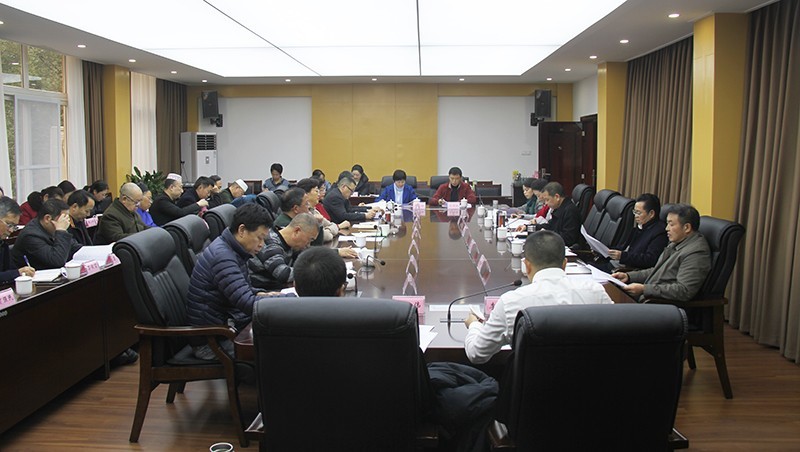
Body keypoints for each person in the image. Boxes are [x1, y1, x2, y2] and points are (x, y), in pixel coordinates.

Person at [463, 230, 612, 364]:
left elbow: (477, 354)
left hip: (532, 385)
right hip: (592, 382)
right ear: (564, 264)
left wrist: (474, 325)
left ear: (527, 265)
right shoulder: (596, 292)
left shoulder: (511, 302)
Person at [186, 203, 285, 360]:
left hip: (226, 327)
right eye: (259, 238)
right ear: (242, 230)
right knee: (278, 353)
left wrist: (262, 294)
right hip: (212, 341)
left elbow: (241, 290)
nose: (262, 244)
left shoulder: (232, 249)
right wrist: (290, 301)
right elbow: (247, 303)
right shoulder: (223, 257)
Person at [612, 204, 711, 301]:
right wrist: (629, 276)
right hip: (647, 297)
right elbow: (657, 270)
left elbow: (683, 290)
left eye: (671, 224)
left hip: (660, 304)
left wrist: (644, 289)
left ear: (687, 227)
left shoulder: (696, 252)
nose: (666, 228)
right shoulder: (677, 242)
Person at [248, 212, 319, 291]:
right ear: (297, 231)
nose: (308, 244)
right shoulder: (270, 244)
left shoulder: (288, 239)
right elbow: (283, 274)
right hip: (263, 291)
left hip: (276, 288)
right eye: (310, 239)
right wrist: (313, 271)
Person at [293, 179, 359, 258]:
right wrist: (332, 229)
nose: (319, 194)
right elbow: (326, 236)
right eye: (316, 191)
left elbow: (331, 224)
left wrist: (330, 229)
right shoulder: (304, 214)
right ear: (306, 194)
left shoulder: (314, 210)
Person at [11, 199, 82, 269]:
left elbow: (75, 248)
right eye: (63, 219)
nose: (66, 222)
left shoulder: (53, 228)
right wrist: (61, 231)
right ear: (47, 218)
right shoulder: (31, 235)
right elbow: (57, 261)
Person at [606, 193, 668, 270]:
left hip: (626, 270)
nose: (635, 216)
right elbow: (624, 247)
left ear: (651, 214)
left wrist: (622, 256)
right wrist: (607, 250)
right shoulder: (640, 226)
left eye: (638, 213)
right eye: (634, 212)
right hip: (615, 263)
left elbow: (650, 260)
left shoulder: (659, 233)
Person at [537, 181, 584, 248]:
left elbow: (568, 238)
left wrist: (548, 236)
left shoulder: (570, 211)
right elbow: (550, 226)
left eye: (547, 200)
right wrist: (531, 227)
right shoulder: (559, 208)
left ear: (557, 197)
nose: (546, 203)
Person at [0, 197, 35, 284]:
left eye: (14, 226)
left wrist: (23, 272)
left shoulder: (2, 243)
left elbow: (10, 269)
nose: (11, 230)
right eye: (9, 224)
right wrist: (17, 273)